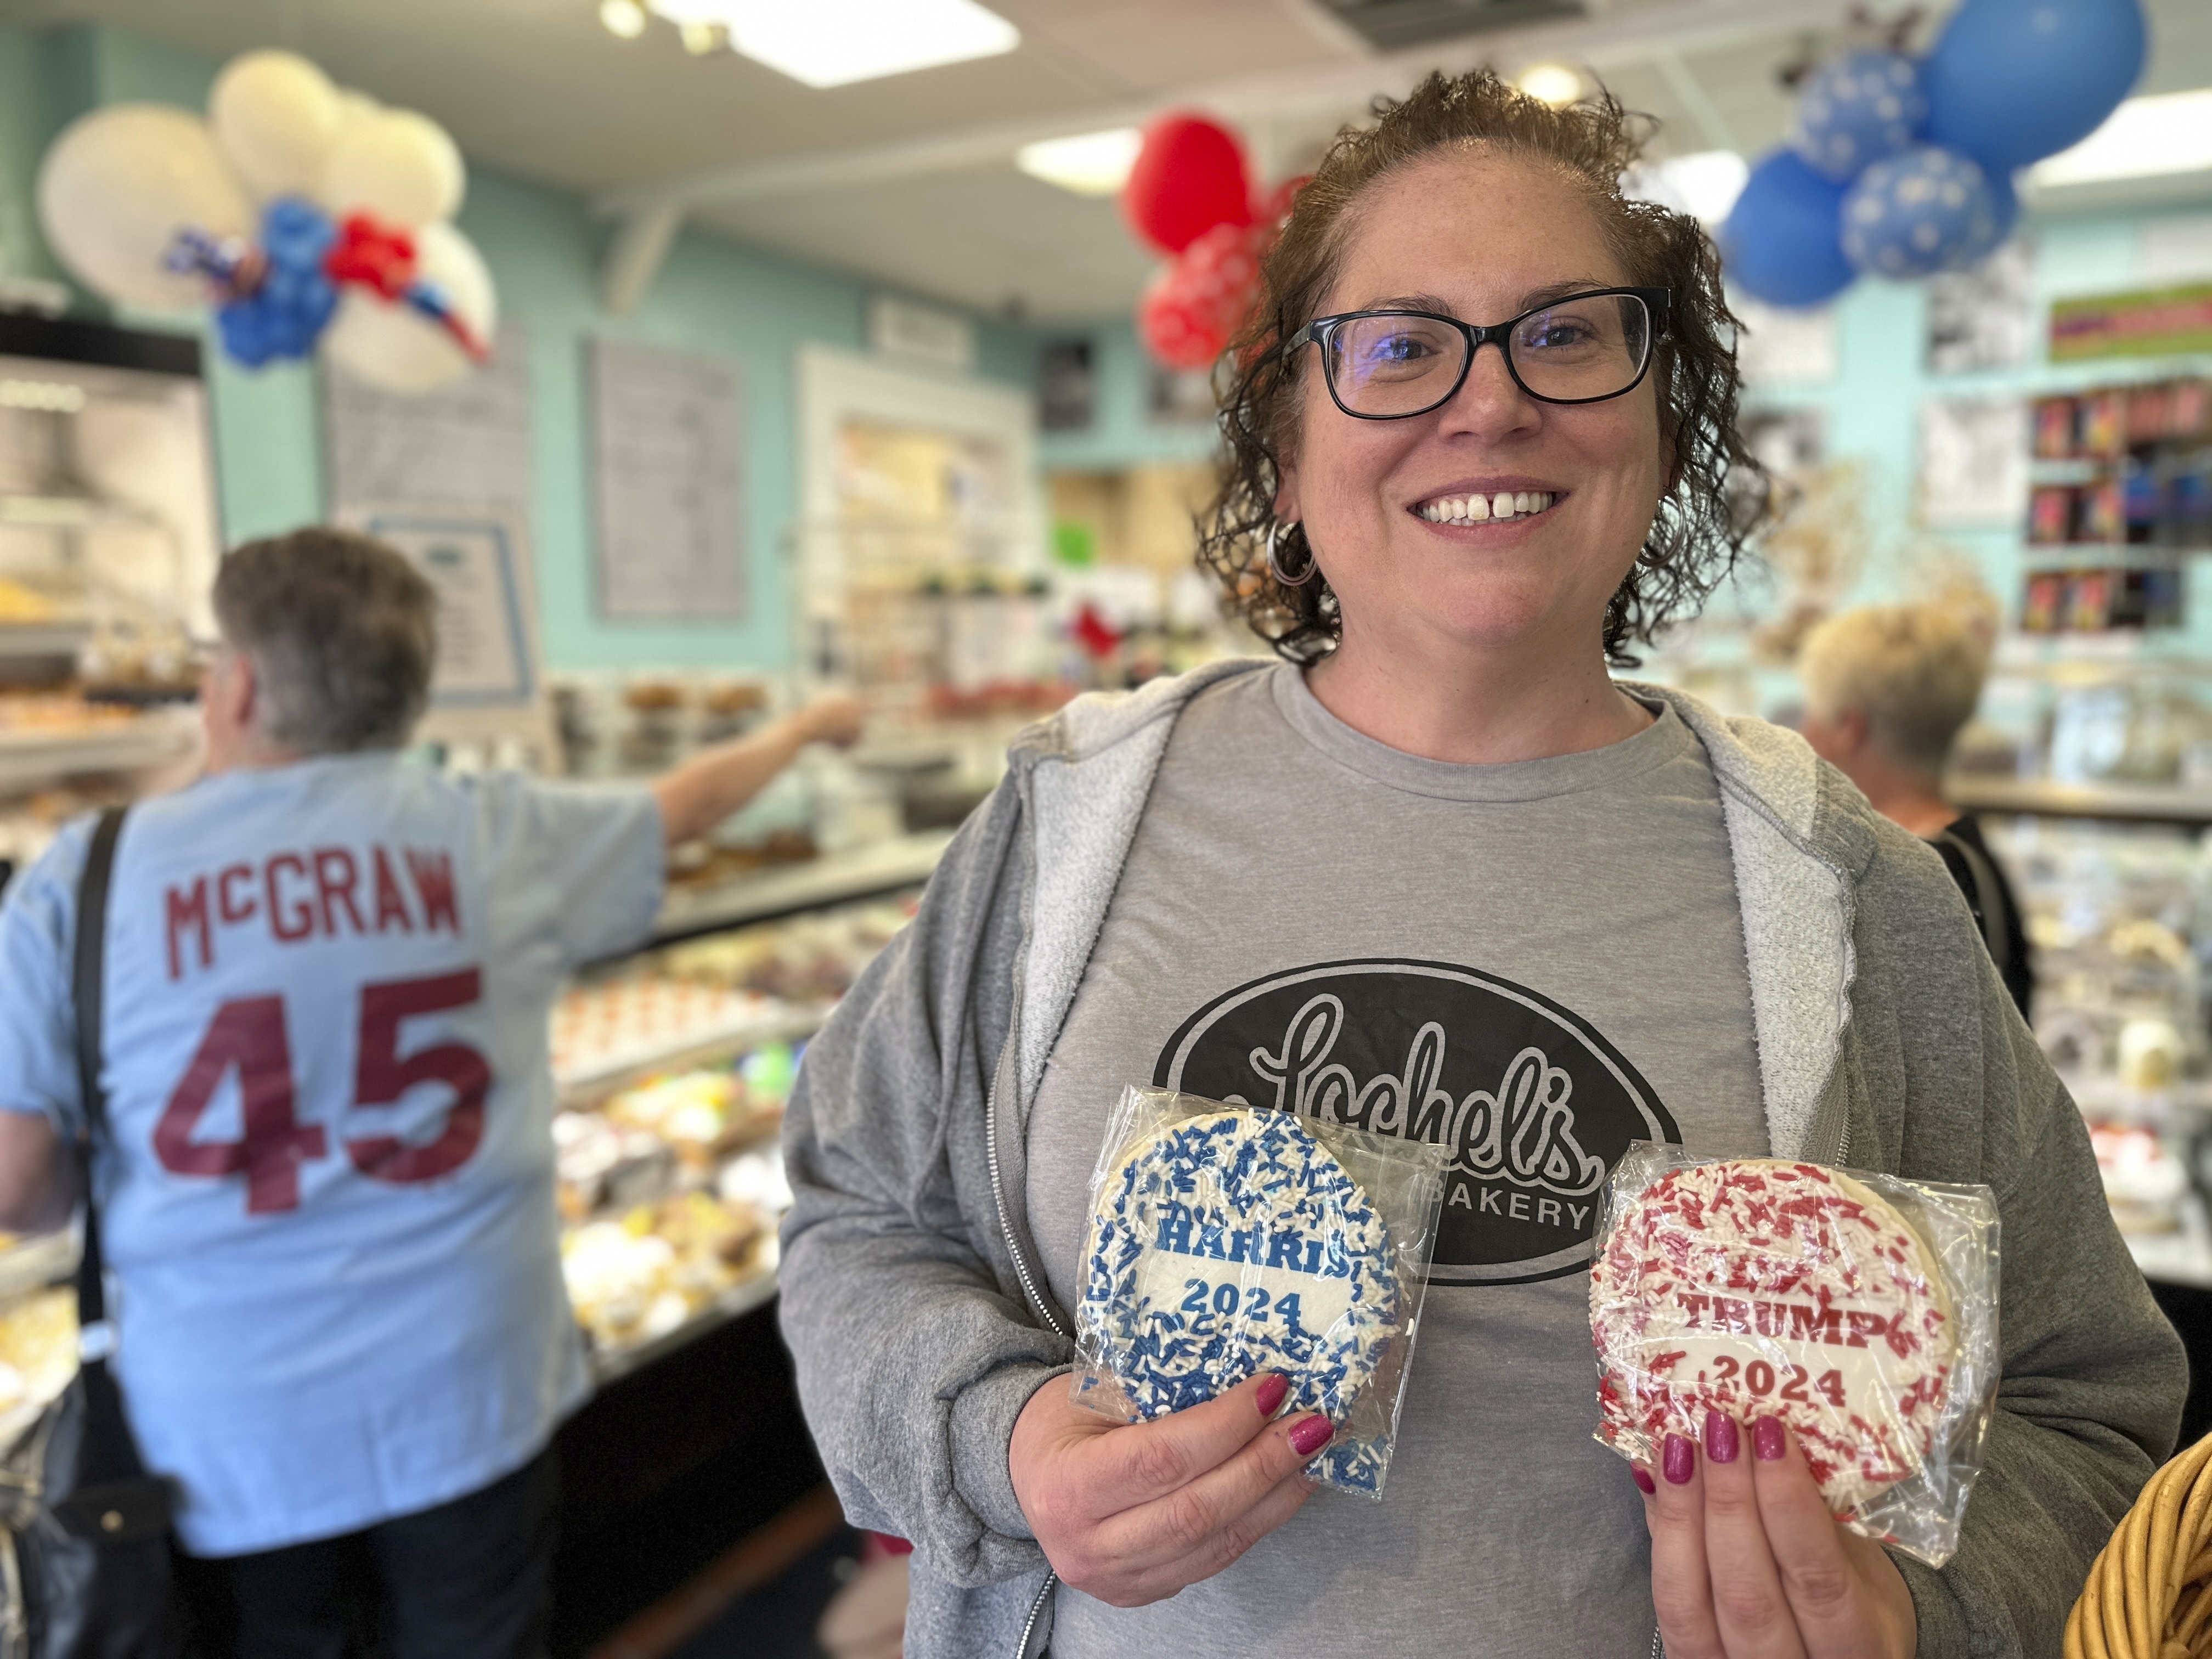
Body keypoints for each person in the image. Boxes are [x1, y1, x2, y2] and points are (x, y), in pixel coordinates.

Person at [777, 69, 2183, 1659]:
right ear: (1287, 439)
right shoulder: (1069, 820)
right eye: (1397, 344)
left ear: (1668, 421)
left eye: (1567, 332)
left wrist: (1922, 1614)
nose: (1489, 401)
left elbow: (2093, 1402)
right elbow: (859, 1220)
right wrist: (1001, 1443)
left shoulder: (1850, 893)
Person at [0, 527, 862, 1658]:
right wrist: (801, 729)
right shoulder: (492, 831)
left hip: (223, 1422)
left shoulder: (88, 872)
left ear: (243, 684)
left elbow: (20, 1186)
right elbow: (684, 808)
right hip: (472, 1380)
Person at [1798, 602, 2033, 1020]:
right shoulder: (1965, 860)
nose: (1805, 735)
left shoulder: (1906, 879)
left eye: (1814, 715)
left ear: (1849, 729)